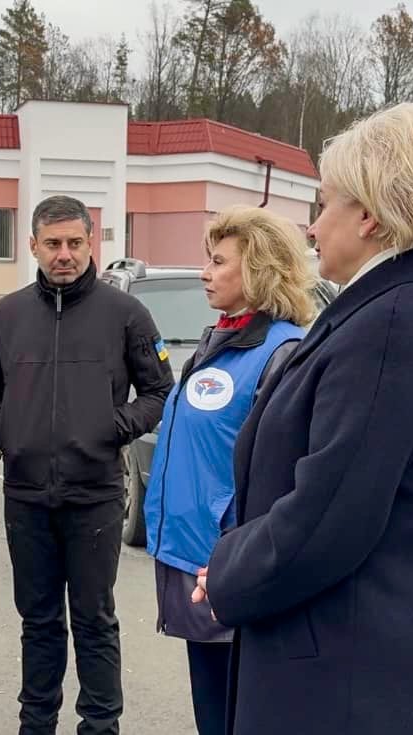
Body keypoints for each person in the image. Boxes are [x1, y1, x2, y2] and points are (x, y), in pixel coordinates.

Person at [194, 103, 413, 735]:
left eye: (323, 203)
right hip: (350, 667)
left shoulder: (394, 325)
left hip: (346, 685)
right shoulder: (391, 309)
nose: (312, 225)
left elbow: (328, 517)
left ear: (371, 215)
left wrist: (226, 571)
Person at [0, 195, 174, 735]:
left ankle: (100, 725)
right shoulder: (7, 315)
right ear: (33, 245)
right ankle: (36, 724)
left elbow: (158, 390)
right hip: (27, 496)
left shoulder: (125, 314)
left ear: (91, 244)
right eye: (53, 244)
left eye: (75, 243)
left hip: (95, 496)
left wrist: (113, 427)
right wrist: (3, 431)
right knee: (38, 622)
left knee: (94, 621)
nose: (64, 254)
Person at [143, 205, 317, 735]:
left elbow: (282, 474)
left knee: (235, 713)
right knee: (212, 708)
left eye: (219, 262)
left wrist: (239, 555)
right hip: (193, 555)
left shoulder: (281, 352)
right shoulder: (220, 338)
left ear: (259, 270)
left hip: (228, 566)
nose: (205, 272)